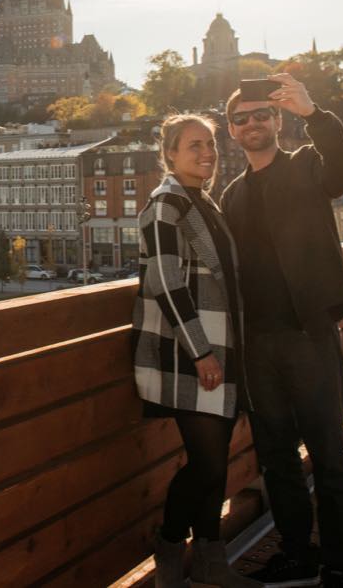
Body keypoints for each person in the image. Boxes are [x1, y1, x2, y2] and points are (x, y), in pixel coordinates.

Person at [220, 73, 343, 587]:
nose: (253, 123)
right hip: (257, 346)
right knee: (277, 460)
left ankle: (341, 565)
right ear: (232, 131)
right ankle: (298, 555)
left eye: (263, 114)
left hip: (308, 335)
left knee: (328, 455)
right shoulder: (231, 195)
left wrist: (314, 113)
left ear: (278, 121)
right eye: (242, 118)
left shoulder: (306, 166)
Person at [132, 113, 260, 588]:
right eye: (193, 146)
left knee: (215, 466)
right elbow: (164, 281)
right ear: (169, 154)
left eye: (209, 144)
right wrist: (200, 351)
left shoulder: (203, 202)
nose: (207, 153)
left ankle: (211, 565)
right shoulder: (165, 204)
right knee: (206, 464)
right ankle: (168, 545)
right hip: (191, 358)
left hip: (223, 354)